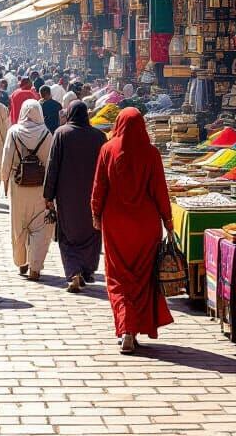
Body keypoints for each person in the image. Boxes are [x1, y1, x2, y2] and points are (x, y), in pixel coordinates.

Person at [91, 107, 174, 354]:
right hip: (146, 226)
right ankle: (134, 328)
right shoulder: (151, 153)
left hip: (116, 224)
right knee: (142, 277)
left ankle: (126, 328)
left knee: (119, 277)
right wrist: (168, 222)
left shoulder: (107, 149)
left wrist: (95, 214)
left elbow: (99, 187)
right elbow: (160, 191)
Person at [44, 101, 107, 292]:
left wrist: (48, 195)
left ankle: (73, 272)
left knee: (67, 235)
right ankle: (87, 270)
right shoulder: (99, 136)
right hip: (93, 195)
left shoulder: (62, 134)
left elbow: (53, 165)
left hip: (67, 196)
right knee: (91, 234)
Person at [1, 100, 53, 281]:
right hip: (40, 186)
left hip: (18, 185)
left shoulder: (13, 132)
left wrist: (4, 182)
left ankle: (21, 261)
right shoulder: (46, 134)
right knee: (40, 227)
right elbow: (50, 163)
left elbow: (6, 159)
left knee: (19, 226)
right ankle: (35, 267)